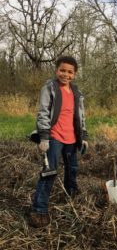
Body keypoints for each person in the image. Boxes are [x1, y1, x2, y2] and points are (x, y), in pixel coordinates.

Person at [28, 56, 88, 228]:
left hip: (72, 138)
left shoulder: (76, 92)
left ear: (74, 74)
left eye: (70, 72)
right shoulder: (50, 88)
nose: (65, 74)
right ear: (56, 70)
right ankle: (39, 209)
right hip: (54, 137)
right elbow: (43, 112)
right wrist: (44, 137)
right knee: (49, 172)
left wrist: (83, 136)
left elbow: (81, 116)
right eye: (62, 70)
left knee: (72, 169)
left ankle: (70, 196)